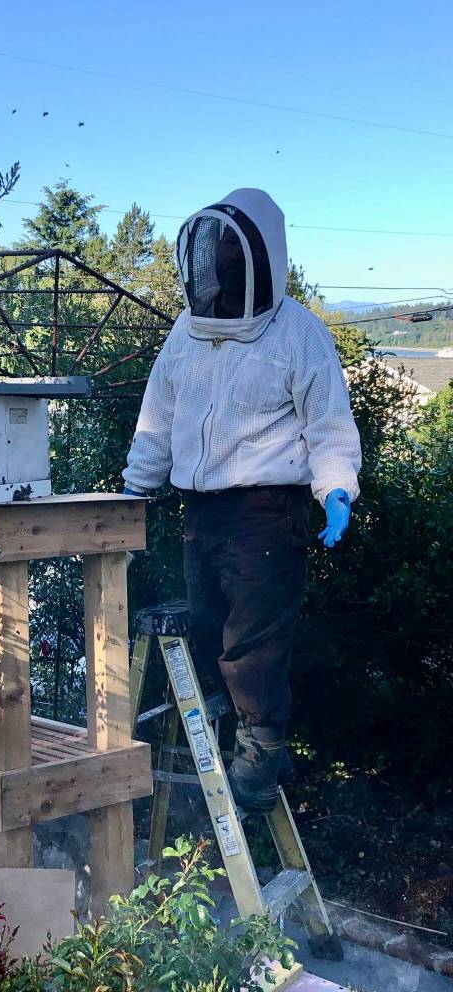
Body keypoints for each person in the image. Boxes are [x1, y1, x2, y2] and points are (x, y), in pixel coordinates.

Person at [122, 188, 361, 813]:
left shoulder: (299, 334)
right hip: (202, 511)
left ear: (263, 254)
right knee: (208, 627)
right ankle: (242, 735)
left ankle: (262, 747)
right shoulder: (187, 330)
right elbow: (160, 415)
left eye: (236, 250)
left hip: (266, 510)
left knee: (252, 637)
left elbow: (329, 424)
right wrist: (136, 486)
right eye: (218, 250)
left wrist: (335, 486)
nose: (225, 262)